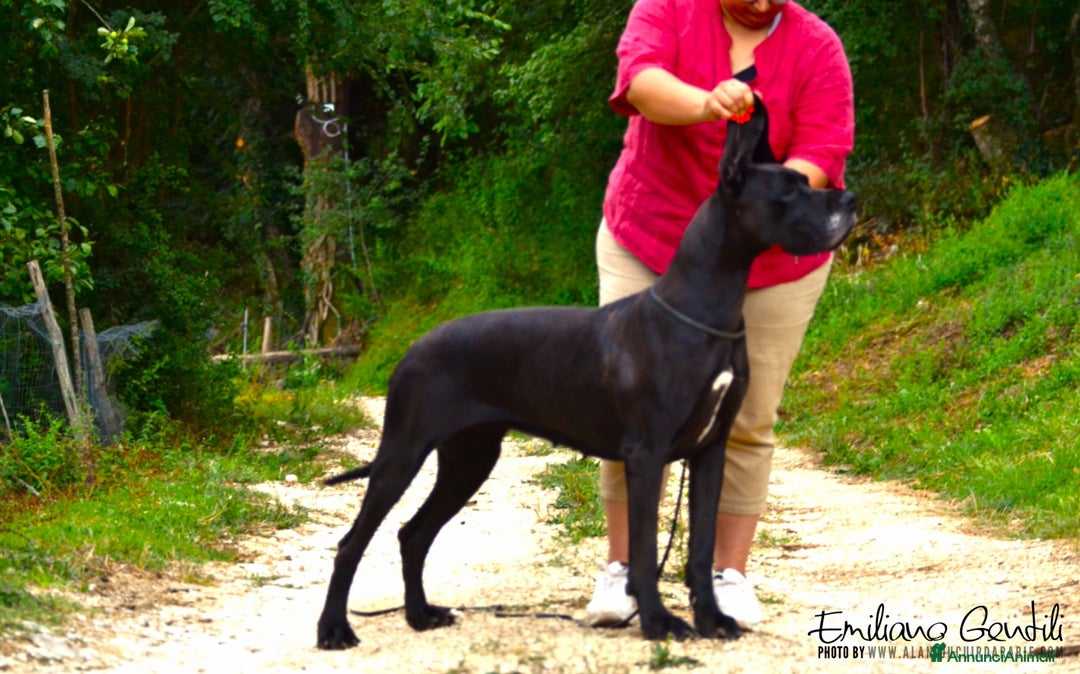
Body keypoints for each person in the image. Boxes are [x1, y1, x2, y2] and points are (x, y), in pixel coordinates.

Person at [585, 0, 855, 630]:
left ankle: (725, 575)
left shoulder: (818, 46)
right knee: (632, 405)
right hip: (651, 236)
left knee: (747, 417)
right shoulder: (667, 9)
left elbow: (823, 147)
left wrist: (766, 203)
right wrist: (708, 102)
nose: (761, 3)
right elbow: (641, 84)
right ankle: (624, 570)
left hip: (768, 261)